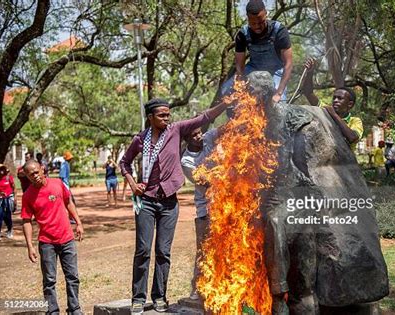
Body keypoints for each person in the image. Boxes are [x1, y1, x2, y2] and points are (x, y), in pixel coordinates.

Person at [119, 97, 231, 314]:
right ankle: (138, 298)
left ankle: (159, 296)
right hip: (146, 202)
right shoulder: (140, 139)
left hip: (169, 202)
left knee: (163, 251)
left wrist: (225, 103)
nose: (166, 118)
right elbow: (124, 162)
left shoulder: (176, 130)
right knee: (143, 250)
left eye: (168, 114)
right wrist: (133, 184)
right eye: (161, 115)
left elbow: (205, 117)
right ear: (150, 118)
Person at [21, 159, 84, 315]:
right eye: (30, 175)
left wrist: (78, 222)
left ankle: (74, 308)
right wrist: (29, 245)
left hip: (67, 238)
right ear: (27, 177)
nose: (35, 176)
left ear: (42, 169)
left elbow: (69, 202)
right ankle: (52, 310)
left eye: (36, 172)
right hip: (46, 242)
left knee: (73, 277)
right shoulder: (28, 196)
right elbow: (26, 221)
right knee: (49, 281)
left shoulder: (57, 184)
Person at [222, 0, 293, 103]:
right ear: (247, 18)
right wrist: (241, 84)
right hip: (253, 68)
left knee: (278, 102)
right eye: (253, 23)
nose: (257, 26)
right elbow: (239, 66)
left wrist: (278, 93)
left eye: (260, 22)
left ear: (266, 14)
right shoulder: (242, 34)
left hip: (276, 71)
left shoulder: (279, 31)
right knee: (226, 89)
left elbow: (289, 63)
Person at [181, 127, 220, 301]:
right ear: (186, 139)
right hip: (206, 208)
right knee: (204, 250)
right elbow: (205, 181)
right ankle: (197, 288)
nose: (199, 136)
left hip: (225, 205)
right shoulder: (187, 161)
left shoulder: (209, 137)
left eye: (199, 132)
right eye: (194, 135)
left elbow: (229, 128)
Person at [302, 58, 363, 151]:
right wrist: (310, 72)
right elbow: (308, 92)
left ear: (350, 104)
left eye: (340, 98)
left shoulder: (355, 121)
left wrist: (334, 115)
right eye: (334, 98)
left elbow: (352, 138)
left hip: (345, 163)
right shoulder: (326, 110)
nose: (335, 100)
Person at [0, 164, 16, 241]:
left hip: (9, 198)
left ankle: (9, 229)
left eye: (2, 169)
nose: (1, 171)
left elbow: (14, 187)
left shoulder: (8, 178)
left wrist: (15, 198)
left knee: (7, 214)